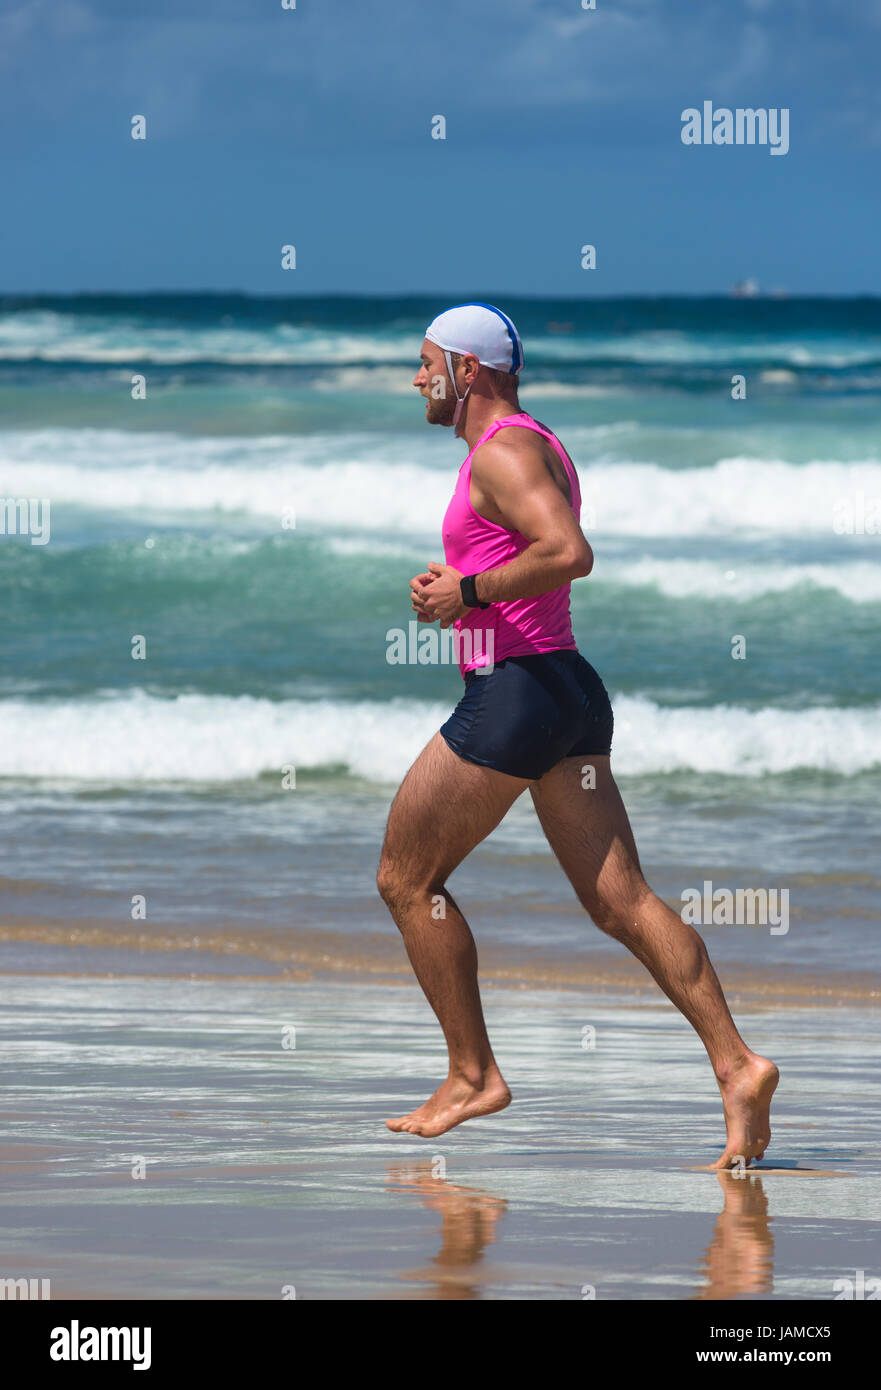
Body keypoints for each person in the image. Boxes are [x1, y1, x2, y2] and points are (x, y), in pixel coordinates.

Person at [377, 303, 778, 1168]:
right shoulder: (537, 442)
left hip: (517, 691)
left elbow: (567, 550)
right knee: (621, 902)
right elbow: (542, 550)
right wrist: (465, 584)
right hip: (567, 692)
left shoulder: (505, 452)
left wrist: (468, 593)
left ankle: (472, 1075)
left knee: (406, 879)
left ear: (467, 371)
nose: (416, 378)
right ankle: (737, 1067)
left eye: (425, 363)